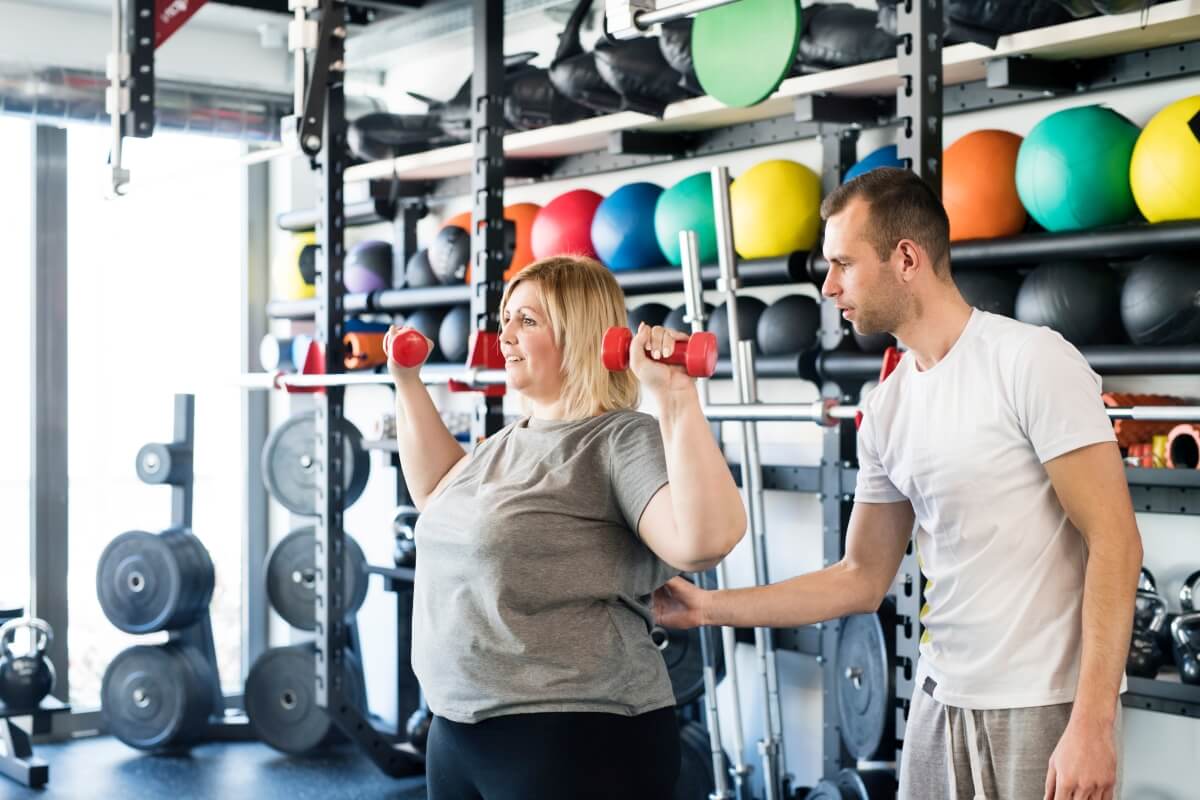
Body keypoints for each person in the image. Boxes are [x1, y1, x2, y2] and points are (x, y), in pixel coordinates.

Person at [654, 167, 1143, 800]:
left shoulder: (1030, 360)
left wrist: (1092, 724)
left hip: (1042, 706)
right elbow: (859, 577)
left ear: (906, 257)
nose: (828, 286)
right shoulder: (887, 406)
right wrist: (706, 608)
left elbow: (1115, 541)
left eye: (843, 264)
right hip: (940, 703)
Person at [384, 255, 746, 800]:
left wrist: (675, 397)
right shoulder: (509, 439)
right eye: (505, 319)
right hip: (458, 728)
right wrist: (406, 381)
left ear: (578, 335)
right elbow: (435, 494)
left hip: (572, 733)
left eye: (526, 321)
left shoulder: (620, 439)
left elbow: (702, 542)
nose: (504, 335)